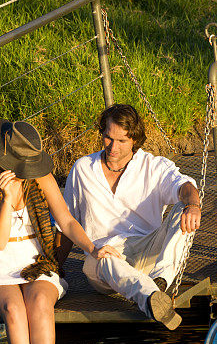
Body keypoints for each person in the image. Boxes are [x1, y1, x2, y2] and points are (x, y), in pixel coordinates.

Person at [0, 120, 120, 344]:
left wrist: (92, 248)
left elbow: (66, 221)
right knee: (13, 310)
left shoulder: (40, 177)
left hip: (36, 260)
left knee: (38, 303)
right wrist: (7, 200)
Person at [57, 104, 201, 331]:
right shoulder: (83, 168)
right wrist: (55, 266)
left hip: (147, 253)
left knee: (183, 208)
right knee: (105, 259)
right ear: (102, 133)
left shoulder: (153, 166)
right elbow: (65, 221)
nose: (113, 147)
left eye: (122, 141)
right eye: (108, 138)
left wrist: (193, 205)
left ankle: (160, 282)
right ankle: (152, 296)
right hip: (104, 259)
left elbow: (185, 186)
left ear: (135, 139)